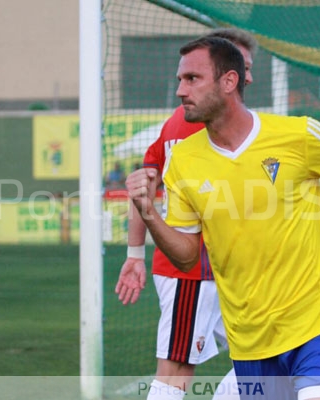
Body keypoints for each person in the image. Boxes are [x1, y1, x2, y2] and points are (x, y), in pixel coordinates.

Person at [126, 37, 320, 400]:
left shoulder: (298, 134)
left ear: (229, 82)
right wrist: (149, 214)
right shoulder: (183, 159)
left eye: (192, 79)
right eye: (180, 80)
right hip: (250, 341)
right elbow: (186, 255)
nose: (180, 90)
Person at [115, 28, 257, 400]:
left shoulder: (241, 127)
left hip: (228, 267)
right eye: (243, 66)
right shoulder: (188, 123)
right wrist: (134, 255)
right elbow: (142, 185)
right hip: (191, 270)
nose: (249, 76)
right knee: (176, 371)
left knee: (264, 350)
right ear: (226, 75)